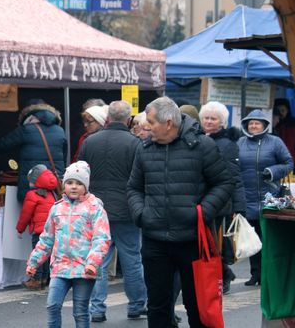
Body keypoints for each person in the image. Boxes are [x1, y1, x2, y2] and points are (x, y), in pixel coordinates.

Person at [127, 96, 233, 328]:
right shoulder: (144, 148)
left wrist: (201, 213)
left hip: (192, 240)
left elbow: (224, 183)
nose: (146, 126)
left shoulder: (202, 146)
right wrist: (141, 214)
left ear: (168, 123)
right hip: (155, 240)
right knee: (157, 307)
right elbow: (133, 188)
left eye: (151, 122)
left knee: (197, 306)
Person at [78, 101, 147, 322]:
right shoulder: (135, 143)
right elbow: (141, 178)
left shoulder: (90, 142)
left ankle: (97, 308)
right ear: (129, 120)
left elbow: (81, 175)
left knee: (98, 261)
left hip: (97, 209)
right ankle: (136, 305)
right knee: (132, 260)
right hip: (127, 210)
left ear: (107, 118)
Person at [27, 161, 111, 328]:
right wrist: (34, 261)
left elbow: (101, 238)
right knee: (52, 305)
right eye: (70, 182)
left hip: (84, 268)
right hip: (60, 266)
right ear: (64, 185)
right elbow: (46, 238)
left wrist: (93, 263)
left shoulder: (95, 208)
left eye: (79, 183)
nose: (74, 187)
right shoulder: (56, 209)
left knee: (80, 310)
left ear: (86, 186)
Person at [237, 109, 293, 286]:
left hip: (270, 196)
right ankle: (255, 274)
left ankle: (270, 273)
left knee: (268, 239)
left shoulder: (275, 142)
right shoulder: (240, 142)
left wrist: (271, 172)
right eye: (251, 123)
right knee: (252, 239)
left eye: (257, 123)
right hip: (247, 197)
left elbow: (288, 163)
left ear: (264, 125)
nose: (253, 126)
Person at [199, 101, 247, 294]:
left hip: (220, 203)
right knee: (205, 243)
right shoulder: (198, 139)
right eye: (206, 118)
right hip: (200, 200)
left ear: (222, 122)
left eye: (213, 118)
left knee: (214, 244)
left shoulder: (227, 145)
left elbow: (234, 176)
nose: (209, 121)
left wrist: (238, 206)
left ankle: (223, 275)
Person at [0, 99, 67, 202]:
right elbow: (64, 157)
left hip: (32, 185)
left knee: (33, 215)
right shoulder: (60, 131)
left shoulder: (26, 130)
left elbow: (2, 145)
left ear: (29, 115)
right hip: (54, 185)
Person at [16, 164, 58, 290]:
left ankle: (35, 279)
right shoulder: (52, 194)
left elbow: (26, 214)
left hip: (39, 231)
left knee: (38, 255)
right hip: (51, 231)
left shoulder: (32, 195)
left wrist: (20, 228)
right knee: (47, 255)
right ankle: (45, 278)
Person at [273, 98, 295, 173]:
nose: (281, 113)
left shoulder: (294, 123)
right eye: (278, 110)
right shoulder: (273, 124)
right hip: (274, 163)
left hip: (291, 162)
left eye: (283, 110)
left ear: (288, 110)